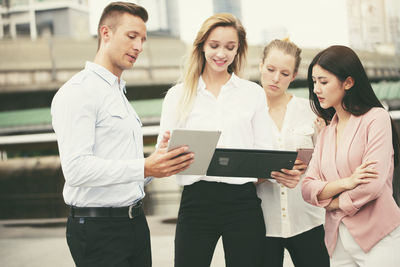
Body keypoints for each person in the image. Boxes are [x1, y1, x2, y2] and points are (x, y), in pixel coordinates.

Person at [51, 2, 194, 267]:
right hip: (98, 230)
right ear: (106, 33)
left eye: (143, 39)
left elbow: (125, 170)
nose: (139, 46)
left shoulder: (118, 93)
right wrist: (143, 165)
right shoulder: (78, 92)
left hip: (135, 224)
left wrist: (156, 164)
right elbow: (76, 170)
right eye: (131, 36)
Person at [157, 13, 300, 267]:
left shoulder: (252, 94)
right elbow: (163, 159)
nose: (221, 53)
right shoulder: (177, 96)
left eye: (229, 47)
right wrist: (166, 153)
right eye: (214, 46)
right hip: (196, 201)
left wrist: (267, 168)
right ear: (201, 46)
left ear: (238, 51)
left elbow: (264, 152)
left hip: (243, 202)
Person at [301, 45, 400, 266]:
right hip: (338, 242)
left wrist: (330, 203)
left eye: (324, 82)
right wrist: (347, 182)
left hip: (379, 237)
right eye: (314, 81)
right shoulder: (326, 132)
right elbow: (307, 188)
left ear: (348, 82)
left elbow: (371, 185)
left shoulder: (376, 119)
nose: (316, 89)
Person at [256, 39, 329, 267]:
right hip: (262, 227)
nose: (276, 78)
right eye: (270, 70)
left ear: (294, 75)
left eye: (284, 73)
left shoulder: (311, 110)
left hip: (308, 222)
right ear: (260, 66)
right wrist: (267, 172)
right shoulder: (246, 114)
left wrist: (324, 138)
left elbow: (327, 165)